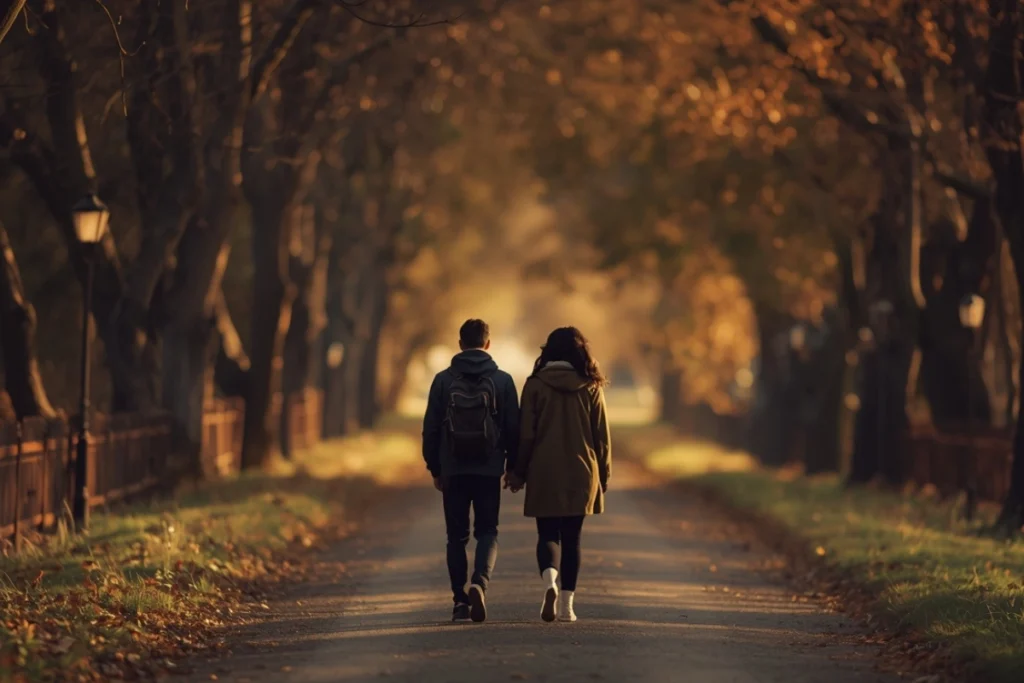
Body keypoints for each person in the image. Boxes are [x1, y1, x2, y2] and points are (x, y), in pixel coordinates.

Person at [506, 326, 611, 623]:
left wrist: (518, 472)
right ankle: (567, 608)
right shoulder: (591, 386)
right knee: (572, 539)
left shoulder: (535, 385)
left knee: (548, 534)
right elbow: (602, 437)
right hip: (582, 471)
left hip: (544, 471)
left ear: (548, 351)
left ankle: (549, 581)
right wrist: (604, 475)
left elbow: (526, 435)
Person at [422, 319, 520, 623]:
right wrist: (513, 467)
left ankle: (459, 601)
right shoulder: (503, 381)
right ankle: (480, 582)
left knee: (456, 537)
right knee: (487, 531)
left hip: (453, 468)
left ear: (460, 343)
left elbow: (430, 429)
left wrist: (435, 467)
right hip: (489, 468)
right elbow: (514, 430)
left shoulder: (443, 380)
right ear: (488, 344)